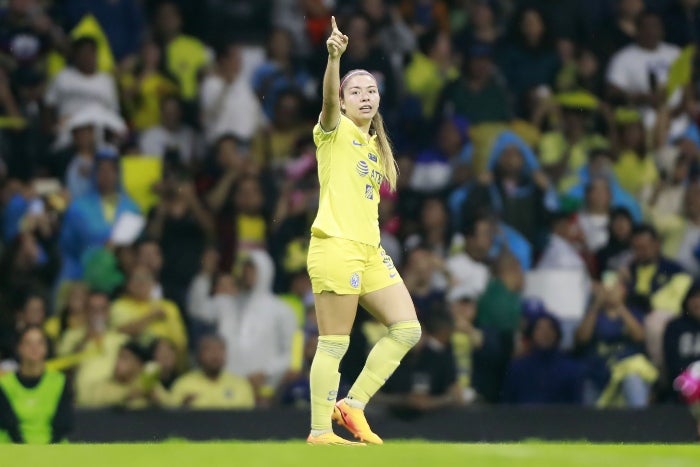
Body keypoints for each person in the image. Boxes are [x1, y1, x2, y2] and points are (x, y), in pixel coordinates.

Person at [304, 17, 421, 446]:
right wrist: (335, 58)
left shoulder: (374, 147)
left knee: (408, 329)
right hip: (335, 246)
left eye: (371, 90)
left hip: (370, 252)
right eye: (356, 91)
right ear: (343, 99)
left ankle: (352, 405)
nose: (365, 96)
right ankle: (319, 431)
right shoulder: (334, 132)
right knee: (334, 343)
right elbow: (327, 104)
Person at [0, 326, 72, 444]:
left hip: (53, 451)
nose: (34, 348)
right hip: (12, 451)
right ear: (20, 348)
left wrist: (47, 455)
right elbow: (8, 424)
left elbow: (63, 424)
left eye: (40, 343)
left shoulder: (59, 381)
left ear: (46, 348)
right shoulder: (4, 384)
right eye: (29, 343)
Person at [169, 335, 255, 409]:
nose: (215, 355)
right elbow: (172, 418)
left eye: (220, 350)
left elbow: (248, 420)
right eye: (209, 350)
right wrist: (182, 408)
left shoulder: (241, 385)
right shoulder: (183, 385)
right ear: (199, 354)